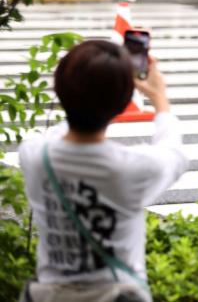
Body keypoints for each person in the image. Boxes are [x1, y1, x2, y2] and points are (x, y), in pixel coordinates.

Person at [18, 40, 187, 302]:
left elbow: (64, 126)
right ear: (121, 106)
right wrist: (160, 99)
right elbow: (174, 153)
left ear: (59, 89)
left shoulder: (33, 155)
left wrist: (90, 81)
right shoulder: (129, 169)